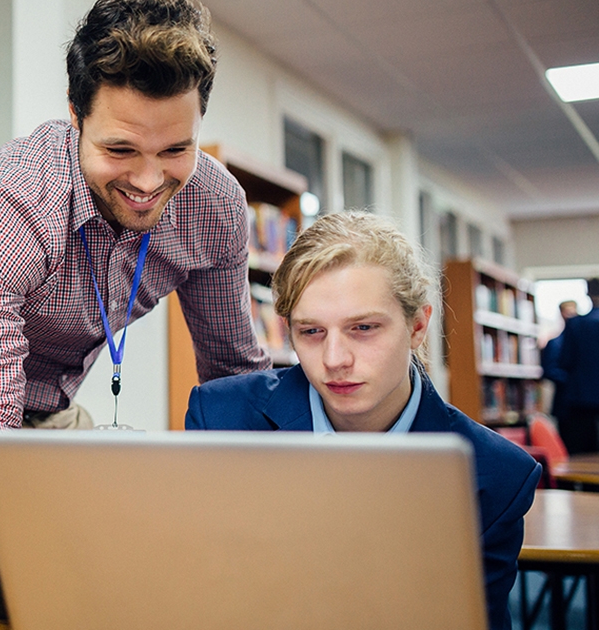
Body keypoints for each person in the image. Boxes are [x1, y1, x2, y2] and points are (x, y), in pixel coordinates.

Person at [0, 0, 270, 620]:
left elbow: (235, 373)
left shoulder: (214, 204)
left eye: (174, 151)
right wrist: (50, 569)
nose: (146, 182)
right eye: (120, 151)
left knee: (107, 601)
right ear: (75, 115)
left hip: (50, 409)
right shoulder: (2, 206)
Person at [185, 211, 540, 630]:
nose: (335, 360)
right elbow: (202, 591)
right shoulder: (222, 416)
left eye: (363, 328)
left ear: (418, 326)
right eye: (311, 332)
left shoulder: (495, 474)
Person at [558, 279, 599, 454]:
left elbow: (565, 361)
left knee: (580, 454)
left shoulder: (576, 325)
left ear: (588, 294)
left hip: (580, 401)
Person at [540, 300, 577, 444]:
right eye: (567, 312)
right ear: (561, 314)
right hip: (565, 402)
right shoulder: (555, 343)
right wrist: (571, 380)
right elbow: (548, 370)